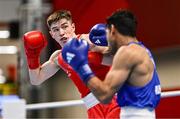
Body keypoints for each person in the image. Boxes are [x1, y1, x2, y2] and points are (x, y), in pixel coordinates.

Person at [62, 9, 161, 119]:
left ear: (112, 29)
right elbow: (109, 52)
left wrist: (81, 66)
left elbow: (104, 96)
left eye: (107, 32)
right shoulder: (142, 50)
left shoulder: (126, 53)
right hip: (144, 114)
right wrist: (96, 48)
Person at [23, 9, 120, 118]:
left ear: (73, 27)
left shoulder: (88, 40)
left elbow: (119, 59)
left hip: (115, 99)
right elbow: (36, 79)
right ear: (51, 34)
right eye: (56, 30)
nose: (61, 33)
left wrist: (93, 52)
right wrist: (32, 55)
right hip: (93, 107)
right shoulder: (58, 57)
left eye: (65, 27)